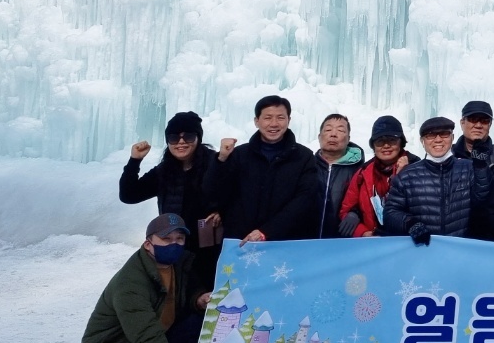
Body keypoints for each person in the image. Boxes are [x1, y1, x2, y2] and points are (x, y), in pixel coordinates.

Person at [80, 214, 211, 343]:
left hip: (151, 336)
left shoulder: (177, 264)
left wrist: (198, 299)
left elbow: (186, 293)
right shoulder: (130, 284)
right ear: (148, 244)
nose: (174, 244)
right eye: (166, 239)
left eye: (179, 239)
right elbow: (148, 336)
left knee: (193, 324)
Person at [119, 110, 220, 288]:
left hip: (211, 252)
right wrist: (135, 161)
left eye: (188, 136)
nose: (181, 142)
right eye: (174, 138)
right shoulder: (165, 171)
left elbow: (238, 195)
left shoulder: (217, 164)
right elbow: (129, 195)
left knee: (205, 301)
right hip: (175, 250)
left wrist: (222, 211)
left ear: (198, 138)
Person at [204, 95, 317, 242]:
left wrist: (267, 231)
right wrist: (221, 160)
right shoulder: (239, 155)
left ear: (289, 120)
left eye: (280, 118)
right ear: (256, 121)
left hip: (285, 242)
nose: (274, 124)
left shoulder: (304, 157)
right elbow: (215, 192)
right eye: (268, 118)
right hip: (241, 241)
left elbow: (304, 199)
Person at [382, 117, 494, 244]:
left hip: (461, 249)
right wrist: (409, 223)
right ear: (422, 141)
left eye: (444, 134)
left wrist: (480, 166)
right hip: (424, 249)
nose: (438, 139)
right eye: (430, 135)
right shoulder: (407, 176)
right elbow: (390, 213)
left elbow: (483, 200)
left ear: (452, 137)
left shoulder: (469, 168)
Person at [339, 116, 419, 237]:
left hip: (409, 242)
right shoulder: (363, 173)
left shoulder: (417, 167)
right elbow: (346, 209)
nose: (386, 145)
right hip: (373, 243)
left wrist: (404, 175)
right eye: (380, 141)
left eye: (392, 140)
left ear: (401, 142)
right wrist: (364, 232)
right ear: (373, 145)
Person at [311, 113, 365, 239]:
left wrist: (355, 213)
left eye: (340, 130)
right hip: (306, 242)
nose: (333, 134)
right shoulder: (306, 167)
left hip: (342, 244)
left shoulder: (361, 170)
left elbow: (368, 201)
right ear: (319, 137)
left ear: (348, 138)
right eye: (328, 130)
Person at [454, 100, 494, 168]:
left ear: (490, 125)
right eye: (473, 119)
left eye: (484, 121)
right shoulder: (447, 156)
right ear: (462, 123)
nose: (478, 125)